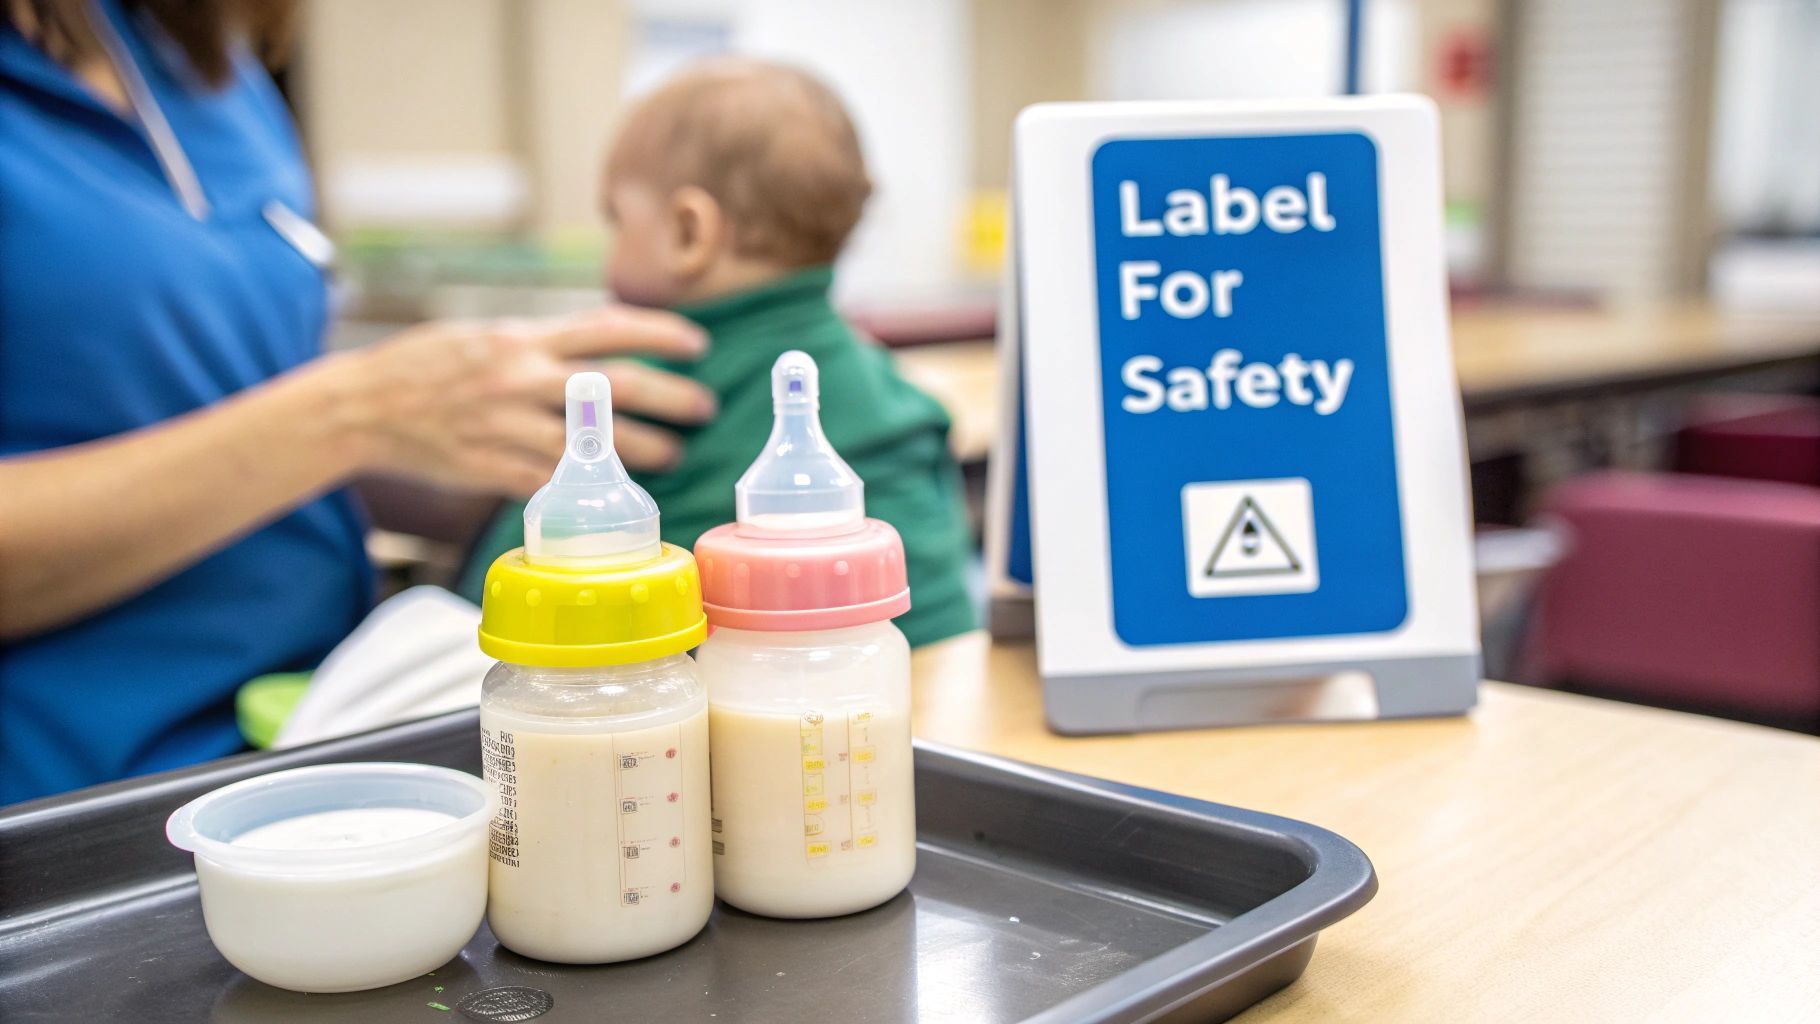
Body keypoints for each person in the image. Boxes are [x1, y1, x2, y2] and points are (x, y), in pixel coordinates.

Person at [0, 0, 717, 803]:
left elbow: (208, 402)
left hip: (320, 714)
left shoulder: (205, 72)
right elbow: (302, 426)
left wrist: (468, 438)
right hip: (90, 789)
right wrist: (353, 416)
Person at [460, 59, 977, 648]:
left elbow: (498, 597)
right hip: (930, 681)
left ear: (688, 233)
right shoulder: (891, 387)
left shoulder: (641, 390)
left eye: (616, 219)